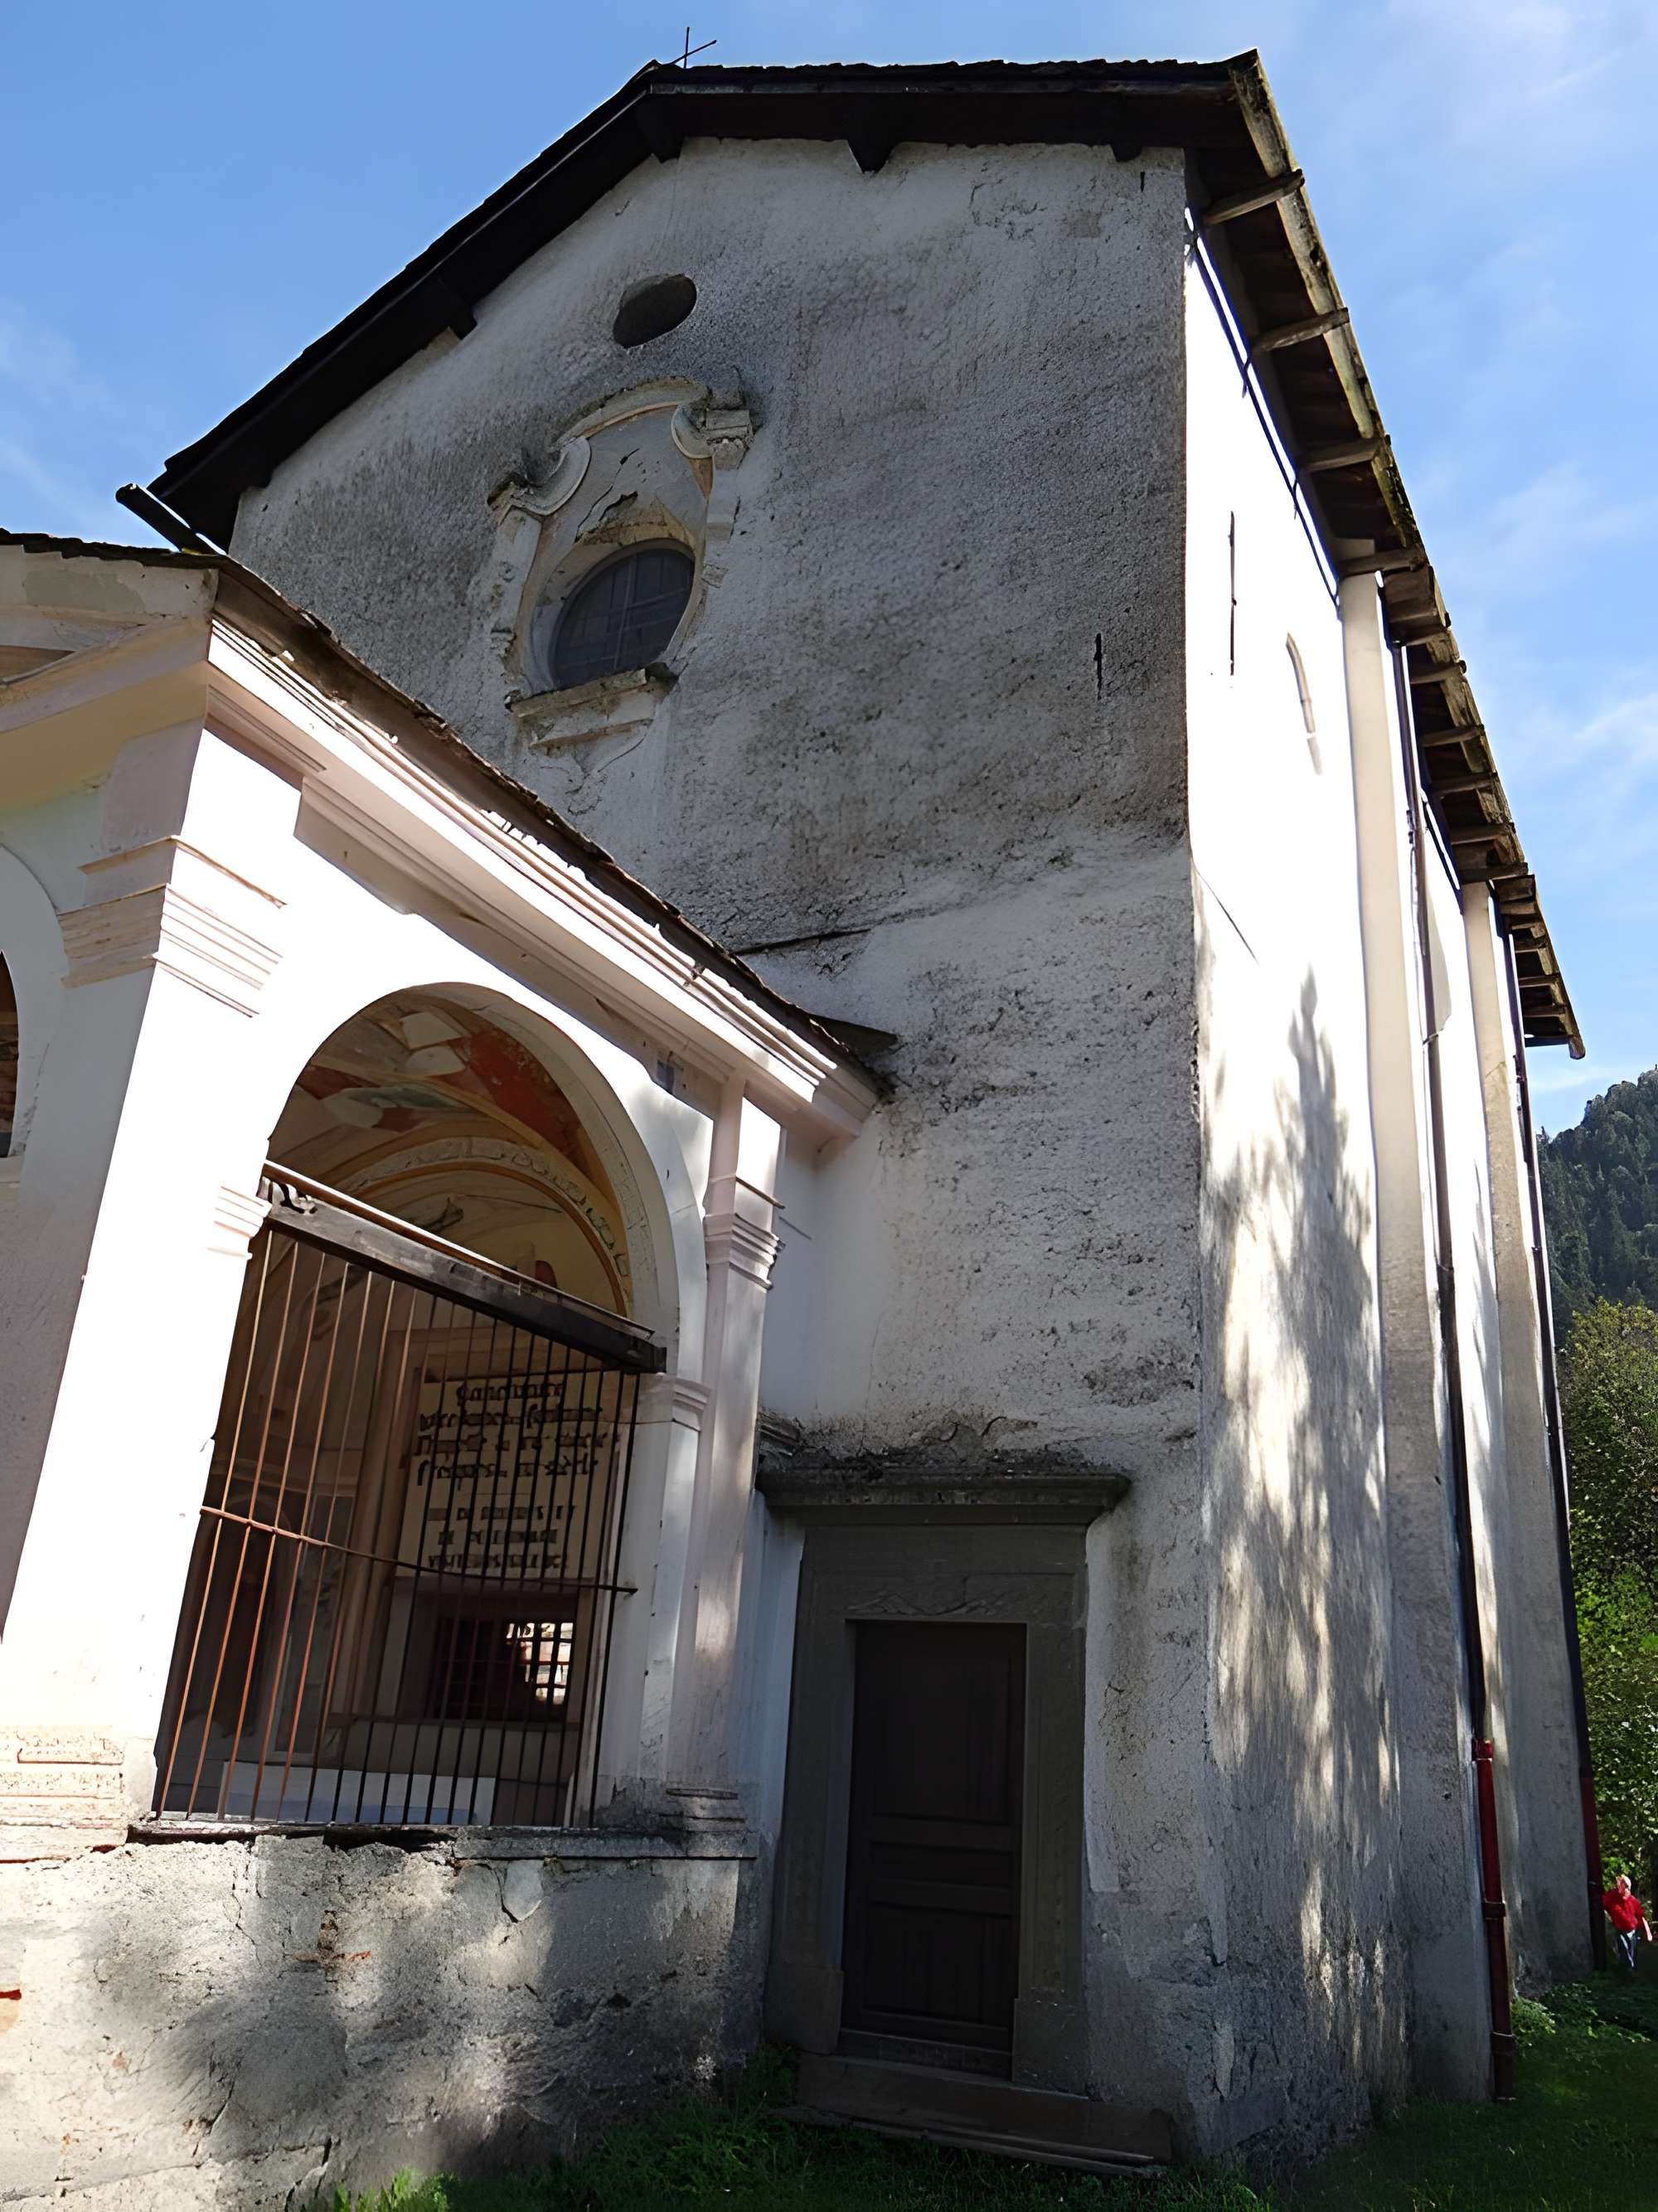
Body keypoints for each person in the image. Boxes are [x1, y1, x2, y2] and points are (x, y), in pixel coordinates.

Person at [1602, 1874, 1652, 1972]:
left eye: (1626, 1886)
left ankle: (1632, 1972)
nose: (1624, 1888)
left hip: (1633, 1930)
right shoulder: (1612, 1897)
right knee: (1624, 1950)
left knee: (1632, 1951)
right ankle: (1627, 1972)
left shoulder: (1633, 1901)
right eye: (1621, 1884)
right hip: (1620, 1929)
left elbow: (1641, 1917)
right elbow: (1602, 1903)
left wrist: (1647, 1932)